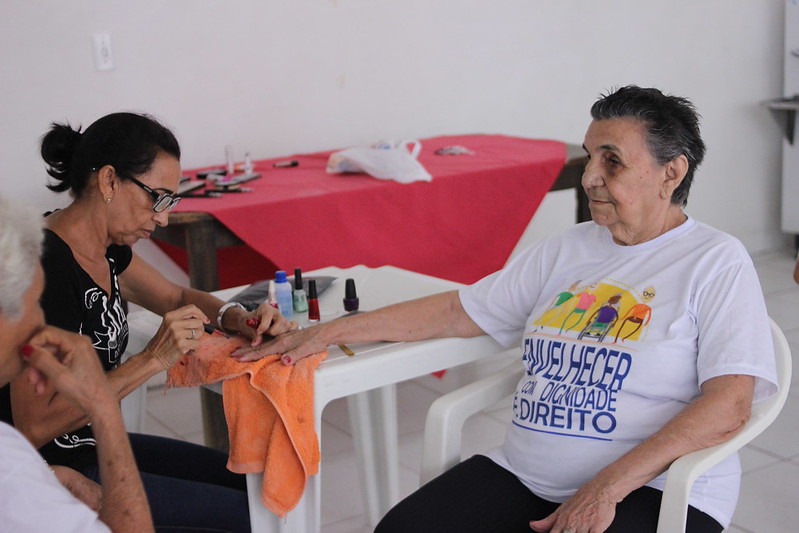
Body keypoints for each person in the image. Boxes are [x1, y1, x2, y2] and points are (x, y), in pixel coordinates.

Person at [231, 86, 779, 533]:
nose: (590, 177)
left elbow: (729, 405)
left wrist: (605, 489)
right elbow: (457, 311)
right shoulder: (568, 249)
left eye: (612, 162)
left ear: (672, 173)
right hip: (525, 474)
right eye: (591, 157)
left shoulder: (714, 261)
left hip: (653, 487)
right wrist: (327, 333)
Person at [0, 112, 295, 533]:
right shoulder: (44, 270)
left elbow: (174, 295)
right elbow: (34, 424)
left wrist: (236, 316)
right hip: (55, 464)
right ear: (108, 181)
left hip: (95, 443)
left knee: (258, 488)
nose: (162, 218)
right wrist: (154, 358)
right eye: (156, 197)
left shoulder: (105, 248)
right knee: (250, 517)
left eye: (168, 202)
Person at [0, 195, 153, 532]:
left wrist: (47, 473)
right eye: (35, 305)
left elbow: (174, 295)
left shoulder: (109, 251)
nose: (42, 322)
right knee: (240, 511)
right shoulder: (10, 468)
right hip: (73, 454)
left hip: (72, 455)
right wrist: (102, 405)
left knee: (230, 479)